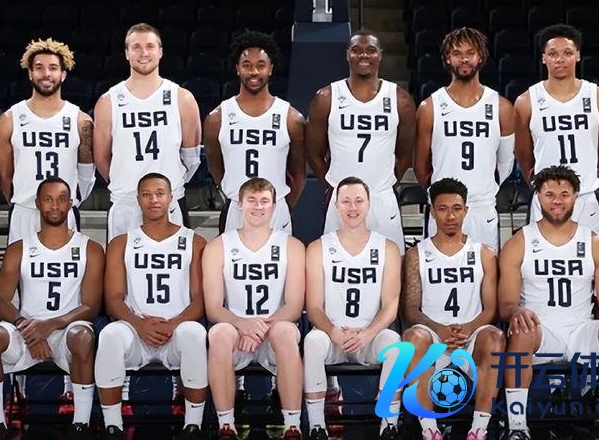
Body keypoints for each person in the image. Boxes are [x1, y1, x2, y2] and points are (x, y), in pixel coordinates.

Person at [499, 165, 599, 440]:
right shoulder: (519, 243)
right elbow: (506, 305)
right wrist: (516, 311)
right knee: (521, 330)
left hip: (582, 330)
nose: (557, 201)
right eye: (550, 194)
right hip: (541, 331)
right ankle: (517, 427)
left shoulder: (594, 243)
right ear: (538, 197)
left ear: (576, 196)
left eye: (564, 194)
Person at [0, 178, 104, 439]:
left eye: (61, 199)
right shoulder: (19, 248)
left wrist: (50, 325)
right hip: (27, 331)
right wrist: (27, 327)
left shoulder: (91, 249)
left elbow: (91, 306)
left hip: (67, 330)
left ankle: (81, 424)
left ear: (70, 203)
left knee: (83, 336)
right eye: (48, 199)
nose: (55, 206)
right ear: (38, 203)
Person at [94, 173, 207, 440]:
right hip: (135, 330)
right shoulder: (121, 243)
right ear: (138, 200)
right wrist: (140, 324)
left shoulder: (195, 241)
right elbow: (113, 299)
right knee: (109, 335)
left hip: (176, 331)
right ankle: (113, 427)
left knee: (195, 333)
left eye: (159, 193)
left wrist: (173, 324)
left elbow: (200, 300)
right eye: (146, 194)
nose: (153, 200)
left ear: (171, 198)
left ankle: (193, 426)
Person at [401, 178, 505, 440]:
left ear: (466, 211)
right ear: (432, 211)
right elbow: (410, 310)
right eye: (443, 209)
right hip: (433, 337)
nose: (450, 216)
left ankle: (479, 429)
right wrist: (439, 329)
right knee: (412, 337)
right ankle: (430, 430)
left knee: (495, 336)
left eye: (457, 209)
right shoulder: (416, 254)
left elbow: (491, 308)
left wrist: (468, 329)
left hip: (471, 337)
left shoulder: (484, 253)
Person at [204, 177, 305, 439]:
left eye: (264, 201)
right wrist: (243, 325)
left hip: (275, 330)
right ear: (239, 204)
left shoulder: (292, 246)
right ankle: (226, 424)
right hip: (236, 331)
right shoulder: (218, 246)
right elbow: (213, 308)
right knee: (218, 333)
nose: (258, 207)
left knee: (285, 331)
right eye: (252, 200)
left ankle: (292, 425)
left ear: (274, 206)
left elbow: (294, 306)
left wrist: (259, 328)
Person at [303, 176, 402, 440]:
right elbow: (314, 307)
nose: (353, 207)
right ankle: (317, 426)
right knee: (312, 342)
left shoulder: (388, 248)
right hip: (332, 335)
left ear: (369, 204)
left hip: (370, 336)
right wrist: (334, 331)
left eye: (359, 201)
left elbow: (390, 306)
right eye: (346, 201)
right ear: (336, 205)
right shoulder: (318, 247)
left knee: (395, 344)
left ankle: (389, 424)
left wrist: (367, 334)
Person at [306, 30, 416, 255]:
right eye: (356, 50)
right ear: (347, 54)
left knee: (390, 266)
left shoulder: (400, 99)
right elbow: (314, 153)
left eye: (371, 50)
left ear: (380, 55)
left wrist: (387, 181)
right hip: (342, 200)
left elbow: (405, 153)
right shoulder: (326, 97)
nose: (363, 55)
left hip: (381, 197)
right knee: (335, 268)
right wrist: (334, 186)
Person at [93, 23, 201, 242]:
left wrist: (171, 184)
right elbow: (101, 159)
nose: (144, 53)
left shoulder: (182, 98)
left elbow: (191, 157)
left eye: (150, 46)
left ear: (160, 51)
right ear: (127, 53)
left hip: (170, 203)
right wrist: (125, 181)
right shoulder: (108, 101)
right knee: (120, 264)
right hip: (125, 202)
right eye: (136, 47)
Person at [414, 28, 515, 251]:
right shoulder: (430, 107)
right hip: (443, 209)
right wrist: (442, 196)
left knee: (485, 271)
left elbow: (505, 164)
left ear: (481, 57)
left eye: (470, 53)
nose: (464, 59)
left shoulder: (502, 107)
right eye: (457, 53)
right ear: (447, 58)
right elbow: (420, 167)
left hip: (482, 208)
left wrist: (484, 188)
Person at [514, 24, 599, 237]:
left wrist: (592, 176)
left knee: (591, 257)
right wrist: (539, 184)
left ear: (578, 55)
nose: (559, 59)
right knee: (541, 257)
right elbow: (523, 156)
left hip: (585, 197)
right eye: (553, 54)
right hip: (546, 199)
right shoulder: (526, 101)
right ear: (544, 58)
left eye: (567, 53)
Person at [0, 38, 95, 244]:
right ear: (30, 73)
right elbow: (5, 176)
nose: (46, 74)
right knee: (21, 265)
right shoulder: (9, 119)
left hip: (64, 213)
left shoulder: (81, 120)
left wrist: (70, 201)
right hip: (24, 211)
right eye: (39, 68)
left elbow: (86, 174)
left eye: (53, 68)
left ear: (63, 74)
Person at [204, 31, 306, 233]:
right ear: (237, 69)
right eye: (247, 65)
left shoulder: (291, 118)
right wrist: (235, 194)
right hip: (236, 208)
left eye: (260, 65)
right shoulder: (217, 118)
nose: (254, 72)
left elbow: (299, 174)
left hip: (276, 209)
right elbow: (216, 169)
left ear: (271, 68)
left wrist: (282, 205)